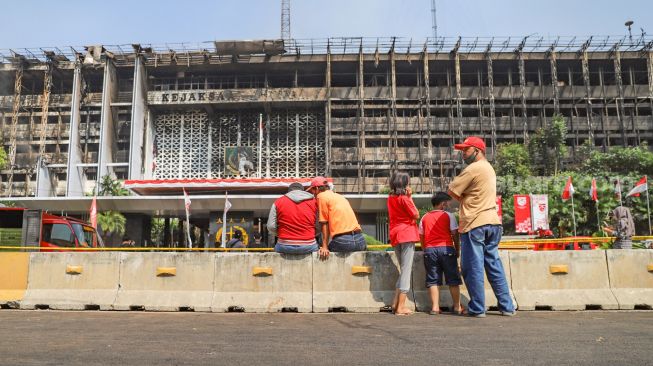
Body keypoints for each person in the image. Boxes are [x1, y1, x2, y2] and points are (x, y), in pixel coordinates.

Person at [447, 136, 515, 318]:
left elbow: (451, 190)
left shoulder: (473, 168)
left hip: (474, 223)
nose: (463, 154)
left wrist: (465, 200)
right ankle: (507, 306)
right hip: (493, 221)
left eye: (466, 150)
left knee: (472, 267)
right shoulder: (489, 168)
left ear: (477, 150)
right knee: (494, 265)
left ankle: (477, 307)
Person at [419, 192, 464, 315]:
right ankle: (457, 307)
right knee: (453, 279)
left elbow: (421, 237)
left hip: (429, 250)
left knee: (433, 280)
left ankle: (434, 307)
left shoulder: (424, 217)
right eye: (448, 203)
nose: (449, 205)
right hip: (446, 249)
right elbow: (455, 234)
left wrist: (425, 249)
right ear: (443, 204)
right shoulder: (449, 216)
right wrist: (457, 249)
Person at [307, 176, 366, 259]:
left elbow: (324, 223)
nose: (313, 194)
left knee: (320, 253)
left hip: (344, 242)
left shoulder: (321, 196)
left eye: (312, 191)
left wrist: (324, 246)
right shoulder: (339, 196)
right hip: (360, 240)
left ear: (316, 188)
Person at [387, 172, 420, 316]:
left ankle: (395, 303)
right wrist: (410, 198)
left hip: (395, 234)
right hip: (407, 233)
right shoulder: (404, 199)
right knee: (406, 272)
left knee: (403, 270)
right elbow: (416, 214)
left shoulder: (390, 198)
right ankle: (400, 307)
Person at [267, 182, 320, 254]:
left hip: (284, 245)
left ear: (289, 192)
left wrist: (281, 234)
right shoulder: (314, 202)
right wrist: (311, 234)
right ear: (302, 191)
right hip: (308, 245)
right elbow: (319, 225)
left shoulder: (278, 202)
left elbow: (270, 226)